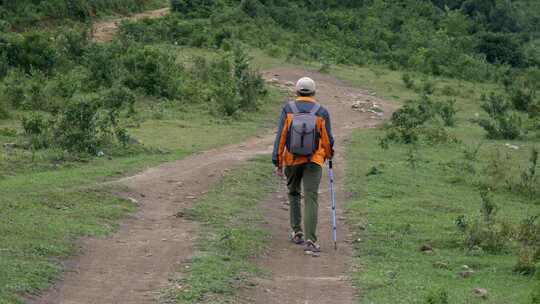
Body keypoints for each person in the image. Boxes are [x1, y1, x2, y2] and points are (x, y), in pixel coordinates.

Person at [272, 77, 334, 253]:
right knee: (311, 197)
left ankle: (297, 232)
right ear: (314, 92)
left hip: (291, 159)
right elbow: (328, 139)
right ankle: (311, 241)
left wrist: (278, 161)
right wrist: (328, 156)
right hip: (313, 161)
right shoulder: (321, 111)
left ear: (296, 91)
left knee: (293, 193)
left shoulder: (288, 109)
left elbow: (281, 136)